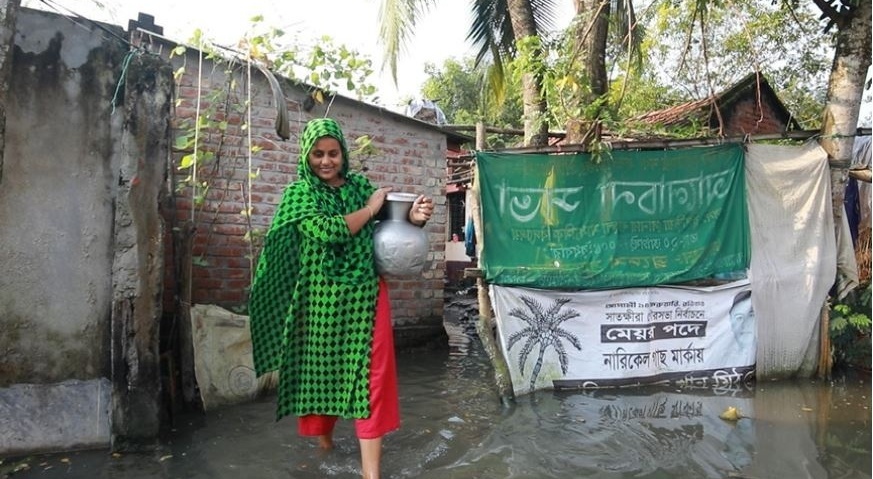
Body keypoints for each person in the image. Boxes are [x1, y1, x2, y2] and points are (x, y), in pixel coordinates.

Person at [248, 117, 433, 479]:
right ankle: (325, 447)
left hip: (366, 296)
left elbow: (390, 223)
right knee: (322, 374)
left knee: (373, 379)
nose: (326, 161)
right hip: (319, 302)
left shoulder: (360, 187)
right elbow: (329, 230)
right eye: (318, 154)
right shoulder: (299, 194)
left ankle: (371, 474)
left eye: (333, 153)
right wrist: (371, 209)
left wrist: (414, 217)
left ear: (343, 154)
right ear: (307, 154)